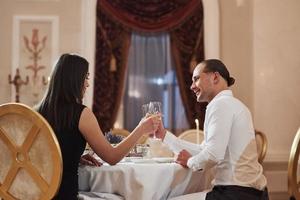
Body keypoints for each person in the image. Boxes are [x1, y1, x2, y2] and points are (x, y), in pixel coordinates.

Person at [36, 53, 160, 200]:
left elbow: (40, 153)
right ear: (74, 79)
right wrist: (141, 129)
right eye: (86, 77)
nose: (87, 84)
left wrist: (73, 156)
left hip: (35, 194)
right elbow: (112, 157)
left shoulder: (35, 112)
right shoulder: (81, 114)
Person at [156, 59, 269, 200]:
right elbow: (205, 150)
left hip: (236, 194)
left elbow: (213, 155)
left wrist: (190, 161)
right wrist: (164, 135)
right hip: (251, 193)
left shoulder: (220, 105)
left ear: (215, 77)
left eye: (196, 79)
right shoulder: (234, 105)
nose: (192, 86)